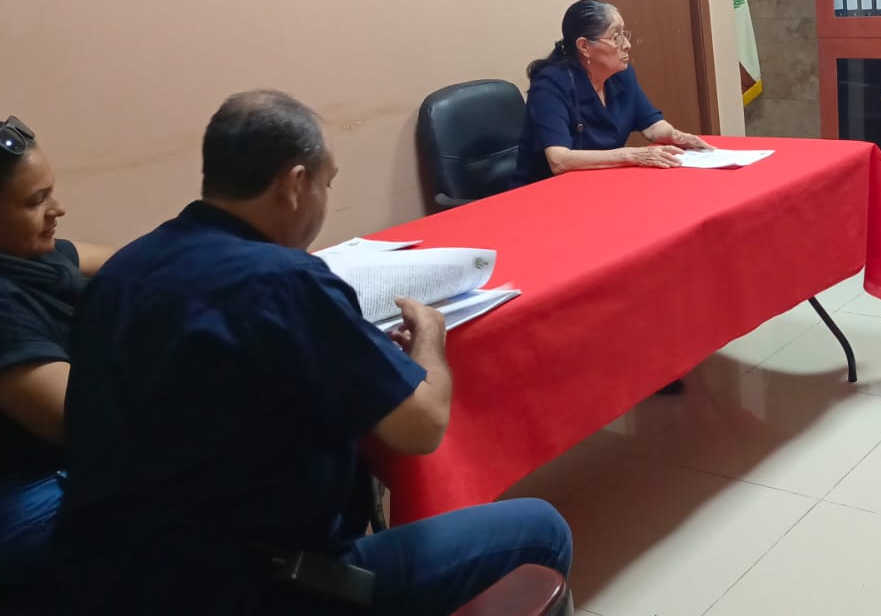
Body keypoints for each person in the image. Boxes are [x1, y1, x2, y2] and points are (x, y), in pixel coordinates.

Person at [55, 91, 572, 615]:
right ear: (295, 185)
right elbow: (420, 427)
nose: (325, 199)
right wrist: (429, 340)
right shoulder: (283, 282)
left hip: (109, 574)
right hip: (255, 585)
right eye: (327, 183)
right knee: (541, 530)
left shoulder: (123, 271)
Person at [0, 117, 113, 598]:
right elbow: (86, 422)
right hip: (25, 498)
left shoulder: (35, 255)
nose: (58, 209)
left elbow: (137, 263)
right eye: (36, 201)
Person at [512, 0, 711, 186]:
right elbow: (559, 160)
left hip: (599, 183)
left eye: (625, 35)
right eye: (616, 37)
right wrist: (631, 155)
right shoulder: (551, 85)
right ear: (584, 46)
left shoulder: (620, 75)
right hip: (546, 192)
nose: (627, 45)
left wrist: (676, 136)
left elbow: (651, 125)